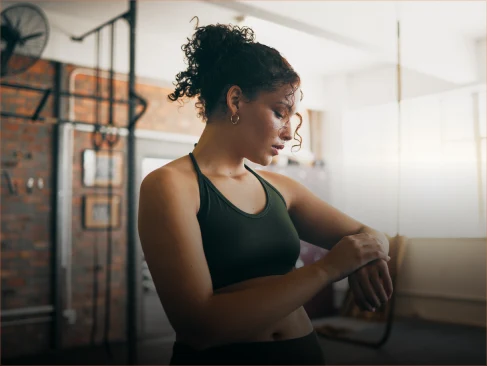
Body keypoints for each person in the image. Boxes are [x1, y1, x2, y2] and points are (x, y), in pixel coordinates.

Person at [138, 18, 393, 365]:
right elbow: (200, 326)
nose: (289, 133)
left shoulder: (280, 188)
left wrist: (371, 254)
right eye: (279, 112)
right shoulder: (170, 185)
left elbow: (370, 234)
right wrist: (328, 269)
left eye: (293, 118)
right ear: (235, 100)